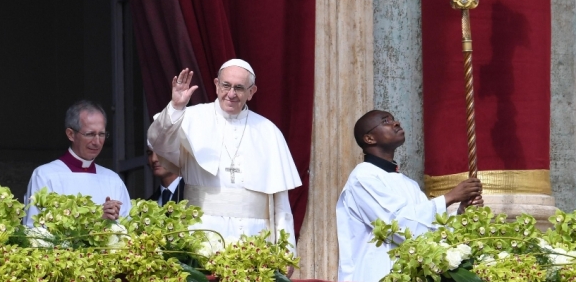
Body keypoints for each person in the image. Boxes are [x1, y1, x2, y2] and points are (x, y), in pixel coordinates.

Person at [147, 59, 302, 251]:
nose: (231, 94)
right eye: (226, 85)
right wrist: (176, 107)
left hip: (255, 241)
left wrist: (287, 249)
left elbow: (281, 202)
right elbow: (158, 141)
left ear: (251, 92)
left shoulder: (268, 131)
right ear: (216, 85)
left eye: (239, 88)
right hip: (202, 235)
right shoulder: (190, 117)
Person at [336, 110, 484, 282]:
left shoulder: (408, 183)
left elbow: (427, 231)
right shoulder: (363, 177)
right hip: (375, 273)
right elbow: (395, 225)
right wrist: (449, 198)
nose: (396, 123)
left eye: (394, 119)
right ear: (369, 139)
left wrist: (461, 213)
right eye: (386, 121)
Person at [23, 100, 131, 226]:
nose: (97, 142)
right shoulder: (45, 175)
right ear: (71, 134)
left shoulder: (113, 179)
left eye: (101, 134)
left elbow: (128, 230)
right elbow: (35, 232)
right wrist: (95, 219)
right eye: (90, 134)